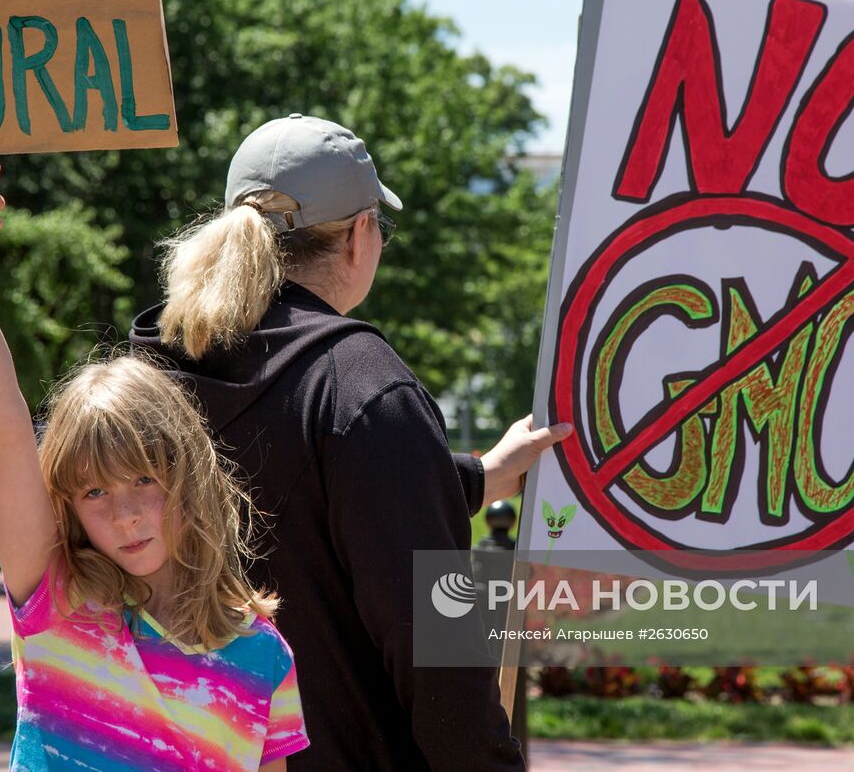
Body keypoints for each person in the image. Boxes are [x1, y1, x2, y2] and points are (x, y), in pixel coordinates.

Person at [128, 114, 573, 770]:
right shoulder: (361, 385)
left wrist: (474, 477)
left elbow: (293, 485)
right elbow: (436, 651)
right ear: (361, 234)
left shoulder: (150, 375)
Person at [0, 161, 309, 771]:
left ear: (188, 476)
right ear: (67, 505)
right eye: (94, 492)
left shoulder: (264, 656)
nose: (126, 513)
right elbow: (3, 434)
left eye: (144, 479)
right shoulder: (57, 599)